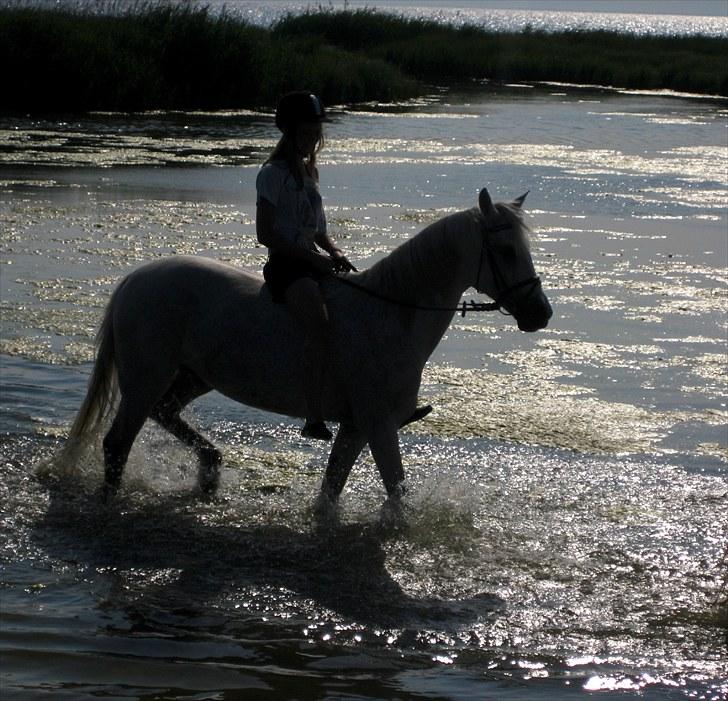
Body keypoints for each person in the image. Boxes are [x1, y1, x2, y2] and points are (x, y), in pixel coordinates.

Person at [256, 91, 355, 441]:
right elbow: (265, 232)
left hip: (312, 263)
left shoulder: (310, 172)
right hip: (286, 266)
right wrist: (311, 257)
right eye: (307, 130)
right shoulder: (272, 173)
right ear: (290, 130)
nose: (313, 137)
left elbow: (319, 230)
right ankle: (313, 416)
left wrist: (335, 251)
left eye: (316, 131)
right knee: (318, 323)